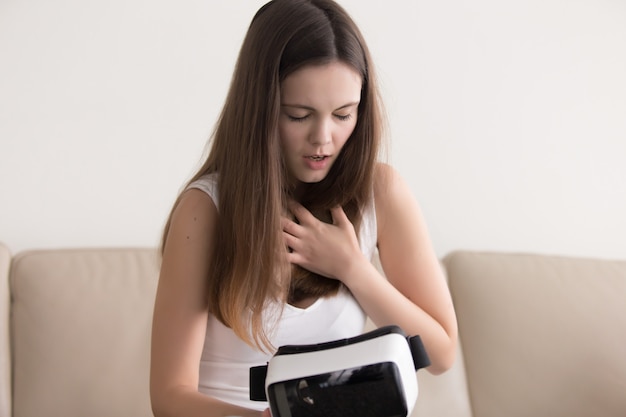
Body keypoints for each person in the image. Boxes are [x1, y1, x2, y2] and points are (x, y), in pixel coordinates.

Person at [150, 0, 458, 416]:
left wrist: (353, 268)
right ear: (260, 110)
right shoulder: (206, 210)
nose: (323, 139)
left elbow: (440, 355)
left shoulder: (381, 193)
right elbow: (169, 396)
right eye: (299, 115)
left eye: (343, 114)